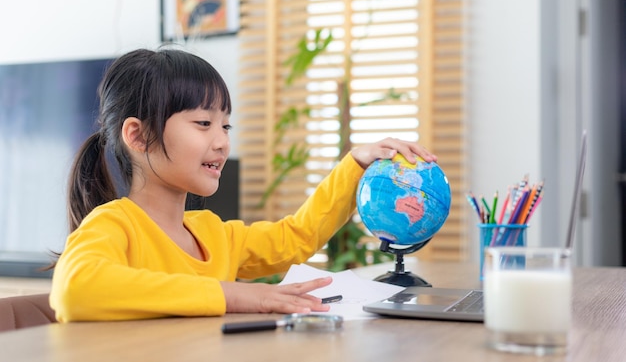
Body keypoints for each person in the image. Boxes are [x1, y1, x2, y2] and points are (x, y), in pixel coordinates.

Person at [49, 48, 437, 322]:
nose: (221, 141)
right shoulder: (113, 224)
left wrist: (354, 163)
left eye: (225, 125)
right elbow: (74, 289)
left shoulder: (214, 234)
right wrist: (233, 295)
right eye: (203, 123)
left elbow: (296, 238)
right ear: (138, 135)